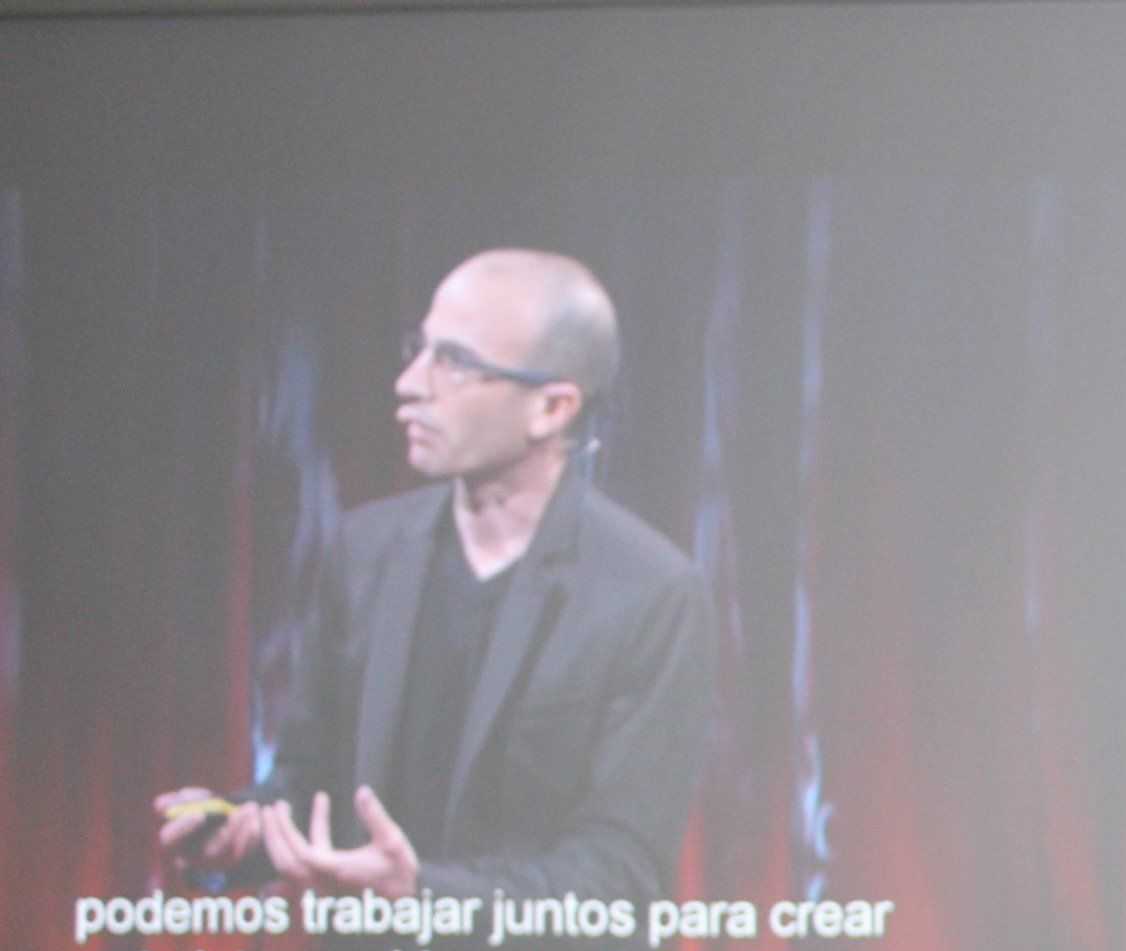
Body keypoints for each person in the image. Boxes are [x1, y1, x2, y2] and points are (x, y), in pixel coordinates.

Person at [155, 248, 711, 909]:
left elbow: (618, 875)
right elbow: (310, 788)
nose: (409, 383)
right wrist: (237, 831)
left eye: (455, 361)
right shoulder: (364, 552)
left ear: (552, 409)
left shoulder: (648, 593)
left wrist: (424, 895)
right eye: (419, 348)